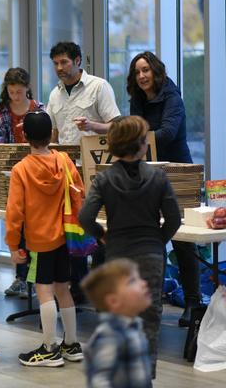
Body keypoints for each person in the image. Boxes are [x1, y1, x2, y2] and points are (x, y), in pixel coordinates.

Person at [78, 116, 181, 377]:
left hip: (117, 255)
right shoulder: (158, 177)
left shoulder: (104, 178)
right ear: (142, 145)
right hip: (150, 255)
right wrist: (158, 240)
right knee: (149, 319)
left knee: (116, 319)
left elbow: (85, 217)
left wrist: (102, 235)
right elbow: (173, 218)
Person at [127, 51, 201, 327]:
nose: (142, 76)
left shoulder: (172, 97)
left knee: (183, 243)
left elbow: (168, 132)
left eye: (146, 70)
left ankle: (193, 302)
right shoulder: (137, 99)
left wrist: (135, 140)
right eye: (137, 72)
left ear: (156, 71)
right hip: (148, 175)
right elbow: (134, 128)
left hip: (179, 176)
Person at [6, 110, 83, 367]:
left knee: (44, 292)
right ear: (52, 134)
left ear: (25, 135)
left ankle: (49, 348)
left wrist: (13, 245)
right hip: (65, 238)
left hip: (39, 242)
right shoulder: (64, 160)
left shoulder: (21, 170)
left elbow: (15, 212)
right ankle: (71, 343)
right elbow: (80, 193)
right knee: (63, 288)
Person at [46, 41, 121, 302]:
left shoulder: (99, 87)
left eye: (64, 62)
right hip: (65, 172)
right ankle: (76, 289)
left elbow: (116, 127)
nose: (59, 68)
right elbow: (54, 132)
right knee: (72, 228)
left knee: (99, 225)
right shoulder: (54, 94)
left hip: (95, 170)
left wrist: (92, 125)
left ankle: (100, 286)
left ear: (78, 61)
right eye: (55, 63)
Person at [0, 67, 43, 298]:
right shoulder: (1, 115)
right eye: (12, 92)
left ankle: (37, 277)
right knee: (17, 228)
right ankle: (21, 277)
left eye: (20, 92)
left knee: (37, 229)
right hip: (12, 178)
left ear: (28, 89)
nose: (15, 96)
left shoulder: (40, 111)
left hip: (39, 176)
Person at [81, 258, 153, 388]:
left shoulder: (134, 328)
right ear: (113, 301)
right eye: (132, 281)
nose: (143, 283)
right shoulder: (109, 337)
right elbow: (100, 382)